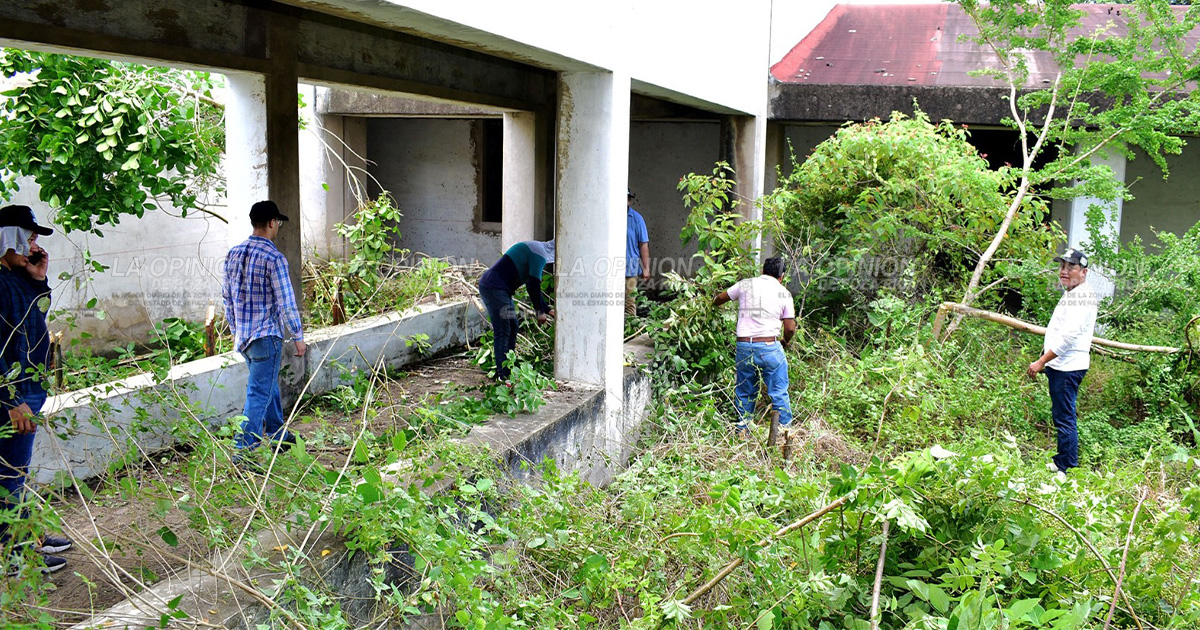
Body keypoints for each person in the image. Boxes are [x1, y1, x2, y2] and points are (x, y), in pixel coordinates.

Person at [0, 204, 72, 574]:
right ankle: (17, 557)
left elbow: (34, 315)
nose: (32, 243)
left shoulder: (15, 277)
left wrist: (37, 276)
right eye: (27, 236)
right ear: (6, 238)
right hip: (12, 397)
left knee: (13, 472)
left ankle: (27, 538)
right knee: (8, 476)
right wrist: (11, 402)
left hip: (27, 389)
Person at [223, 201, 307, 457]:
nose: (278, 227)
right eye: (278, 223)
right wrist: (298, 336)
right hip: (266, 337)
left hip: (245, 338)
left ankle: (278, 434)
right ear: (272, 223)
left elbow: (227, 298)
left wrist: (236, 330)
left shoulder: (233, 254)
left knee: (267, 386)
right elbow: (287, 303)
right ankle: (243, 450)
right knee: (258, 393)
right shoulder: (274, 258)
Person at [1026, 247, 1098, 473]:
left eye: (1071, 267)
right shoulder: (1072, 293)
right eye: (1063, 266)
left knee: (1065, 418)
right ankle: (1061, 461)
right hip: (1061, 365)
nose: (1065, 271)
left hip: (1068, 367)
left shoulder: (1083, 298)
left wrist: (1041, 361)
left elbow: (1067, 339)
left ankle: (1067, 468)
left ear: (1084, 272)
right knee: (1061, 415)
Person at [714, 257, 797, 438]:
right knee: (778, 392)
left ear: (763, 270)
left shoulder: (745, 285)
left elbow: (720, 298)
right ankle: (784, 434)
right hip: (769, 346)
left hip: (744, 346)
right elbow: (790, 328)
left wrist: (711, 306)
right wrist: (785, 340)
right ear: (782, 276)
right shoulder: (783, 293)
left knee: (745, 390)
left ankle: (742, 430)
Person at [478, 239, 555, 381]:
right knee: (503, 329)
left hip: (502, 290)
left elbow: (531, 285)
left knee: (513, 327)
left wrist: (547, 309)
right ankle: (504, 376)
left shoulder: (537, 249)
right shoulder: (539, 254)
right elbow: (533, 286)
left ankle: (508, 368)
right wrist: (540, 312)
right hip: (494, 288)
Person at [625, 190, 650, 317]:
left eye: (628, 198)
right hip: (610, 268)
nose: (627, 201)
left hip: (630, 268)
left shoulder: (637, 219)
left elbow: (643, 244)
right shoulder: (609, 215)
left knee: (629, 303)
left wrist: (646, 268)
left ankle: (629, 333)